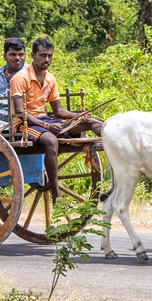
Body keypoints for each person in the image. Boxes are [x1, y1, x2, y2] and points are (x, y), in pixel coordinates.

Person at [10, 38, 103, 204]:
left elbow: (58, 111)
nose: (47, 60)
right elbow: (19, 112)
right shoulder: (20, 78)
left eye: (50, 56)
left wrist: (77, 115)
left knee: (91, 122)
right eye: (43, 55)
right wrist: (46, 125)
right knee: (51, 140)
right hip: (24, 125)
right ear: (33, 55)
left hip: (45, 121)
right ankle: (56, 194)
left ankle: (116, 151)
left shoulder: (50, 79)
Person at [0, 37, 27, 125]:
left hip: (23, 123)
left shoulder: (31, 74)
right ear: (5, 56)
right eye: (13, 54)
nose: (17, 58)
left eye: (21, 54)